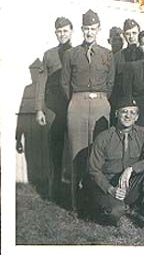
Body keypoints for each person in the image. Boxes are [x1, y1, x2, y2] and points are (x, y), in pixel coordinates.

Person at [61, 9, 115, 212]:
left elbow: (111, 83)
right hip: (77, 104)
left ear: (99, 29)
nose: (89, 32)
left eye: (93, 28)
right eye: (86, 28)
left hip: (101, 103)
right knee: (77, 153)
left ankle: (97, 202)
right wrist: (77, 100)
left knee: (99, 153)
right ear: (82, 29)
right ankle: (77, 204)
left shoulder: (107, 55)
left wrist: (100, 99)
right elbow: (64, 83)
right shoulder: (71, 54)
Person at [86, 96, 144, 227]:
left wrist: (131, 169)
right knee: (113, 214)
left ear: (137, 117)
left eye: (132, 112)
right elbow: (93, 170)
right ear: (116, 114)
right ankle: (116, 207)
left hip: (130, 184)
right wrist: (110, 189)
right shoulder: (104, 138)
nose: (128, 116)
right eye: (124, 112)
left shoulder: (143, 134)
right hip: (109, 185)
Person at [35, 16, 73, 201]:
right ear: (55, 33)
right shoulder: (48, 55)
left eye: (65, 30)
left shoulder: (77, 52)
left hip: (72, 105)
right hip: (52, 106)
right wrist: (39, 109)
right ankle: (54, 191)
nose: (62, 34)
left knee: (75, 148)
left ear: (71, 31)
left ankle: (76, 190)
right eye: (59, 31)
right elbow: (41, 82)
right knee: (54, 148)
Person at [110, 19, 144, 126]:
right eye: (128, 34)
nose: (131, 37)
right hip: (123, 103)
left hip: (142, 101)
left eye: (134, 33)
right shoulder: (117, 57)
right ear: (124, 35)